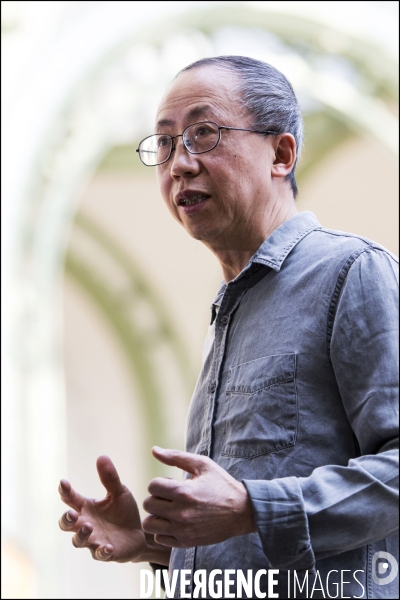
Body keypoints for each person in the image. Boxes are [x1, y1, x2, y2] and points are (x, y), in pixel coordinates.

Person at [58, 56, 399, 599]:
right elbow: (249, 541)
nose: (179, 165)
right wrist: (154, 543)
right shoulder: (227, 311)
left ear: (282, 154)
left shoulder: (351, 273)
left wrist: (250, 507)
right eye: (165, 144)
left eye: (204, 134)